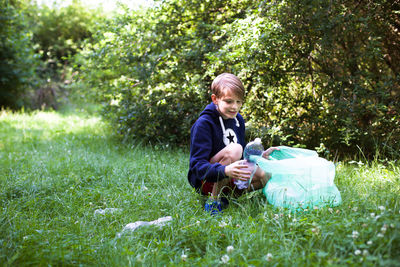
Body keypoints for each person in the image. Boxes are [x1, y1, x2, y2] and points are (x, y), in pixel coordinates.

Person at [187, 73, 278, 215]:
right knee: (235, 149)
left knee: (265, 174)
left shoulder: (238, 120)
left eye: (239, 102)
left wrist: (260, 156)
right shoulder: (204, 124)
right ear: (215, 99)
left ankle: (227, 197)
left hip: (229, 175)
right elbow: (197, 166)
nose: (234, 107)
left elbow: (242, 156)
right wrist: (225, 171)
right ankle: (213, 202)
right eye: (229, 101)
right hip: (206, 181)